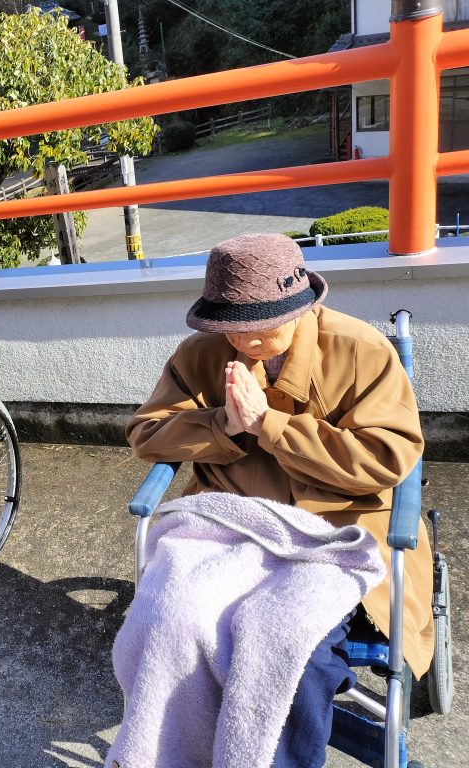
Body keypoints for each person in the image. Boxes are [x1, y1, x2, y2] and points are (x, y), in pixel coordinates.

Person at [123, 233, 433, 767]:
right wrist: (222, 423)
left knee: (290, 649)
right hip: (236, 523)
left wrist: (269, 425)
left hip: (336, 532)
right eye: (233, 326)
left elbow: (387, 457)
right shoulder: (199, 355)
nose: (248, 340)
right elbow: (147, 434)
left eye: (264, 325)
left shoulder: (359, 350)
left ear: (302, 307)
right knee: (169, 618)